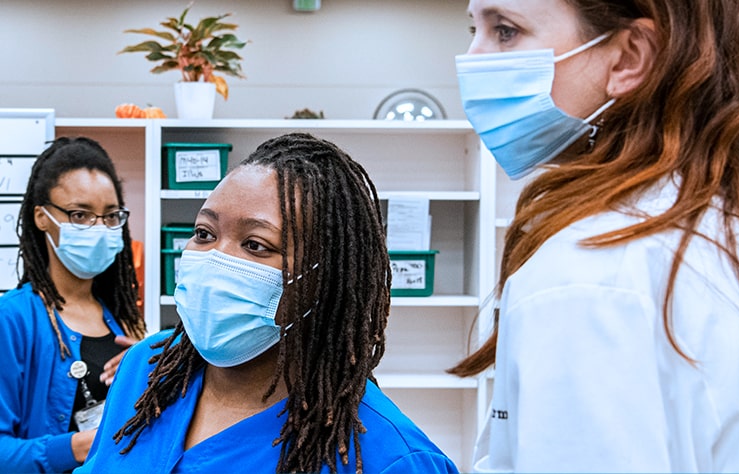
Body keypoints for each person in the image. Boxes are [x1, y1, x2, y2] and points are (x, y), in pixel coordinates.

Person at [449, 0, 739, 472]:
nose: (471, 60)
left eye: (506, 31)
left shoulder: (588, 276)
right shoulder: (731, 221)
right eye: (473, 29)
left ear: (629, 57)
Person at [77, 133, 459, 473]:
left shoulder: (390, 457)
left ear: (320, 278)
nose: (215, 259)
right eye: (204, 233)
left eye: (256, 244)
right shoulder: (146, 370)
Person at [0, 136, 145, 472]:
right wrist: (77, 447)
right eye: (80, 215)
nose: (98, 228)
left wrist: (148, 373)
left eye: (110, 216)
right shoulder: (14, 319)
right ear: (41, 217)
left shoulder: (123, 319)